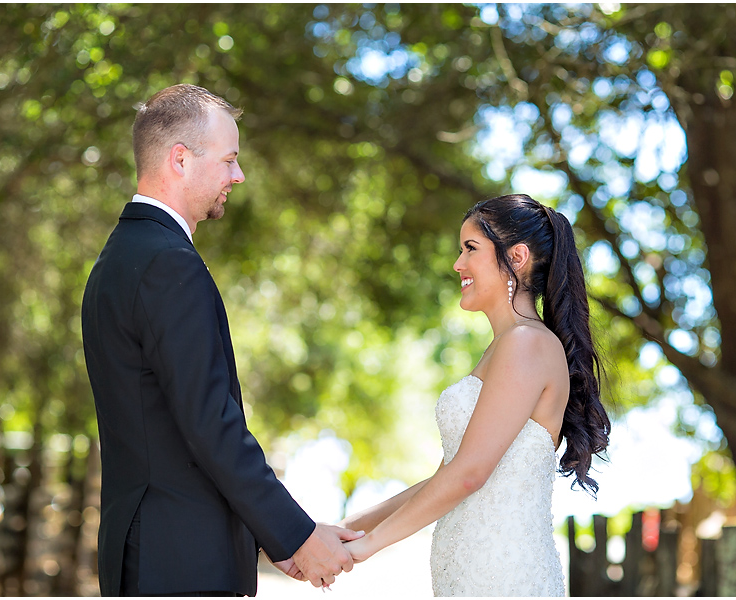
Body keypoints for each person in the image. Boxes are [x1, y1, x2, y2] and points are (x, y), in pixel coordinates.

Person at [81, 84, 361, 597]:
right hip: (182, 560)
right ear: (180, 160)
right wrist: (296, 535)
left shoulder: (118, 257)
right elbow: (210, 422)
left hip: (145, 552)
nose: (239, 175)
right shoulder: (168, 263)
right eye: (230, 159)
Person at [341, 194, 611, 596]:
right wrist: (352, 528)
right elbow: (448, 474)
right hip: (469, 577)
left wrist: (366, 548)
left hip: (503, 579)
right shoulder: (506, 347)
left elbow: (469, 475)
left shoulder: (526, 344)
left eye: (471, 249)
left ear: (516, 257)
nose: (458, 263)